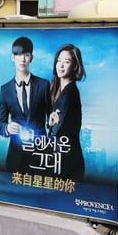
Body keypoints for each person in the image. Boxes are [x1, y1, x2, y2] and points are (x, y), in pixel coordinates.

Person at [0, 36, 51, 172]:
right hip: (16, 156)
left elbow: (51, 118)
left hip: (40, 152)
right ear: (12, 57)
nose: (23, 59)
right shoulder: (5, 90)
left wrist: (53, 121)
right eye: (19, 54)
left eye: (26, 55)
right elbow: (0, 124)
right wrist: (7, 128)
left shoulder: (43, 85)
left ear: (31, 58)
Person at [46, 43, 86, 180]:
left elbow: (58, 129)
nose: (61, 65)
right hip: (62, 157)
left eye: (66, 62)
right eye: (59, 61)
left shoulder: (69, 93)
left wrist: (52, 125)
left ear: (75, 66)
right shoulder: (60, 90)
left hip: (68, 160)